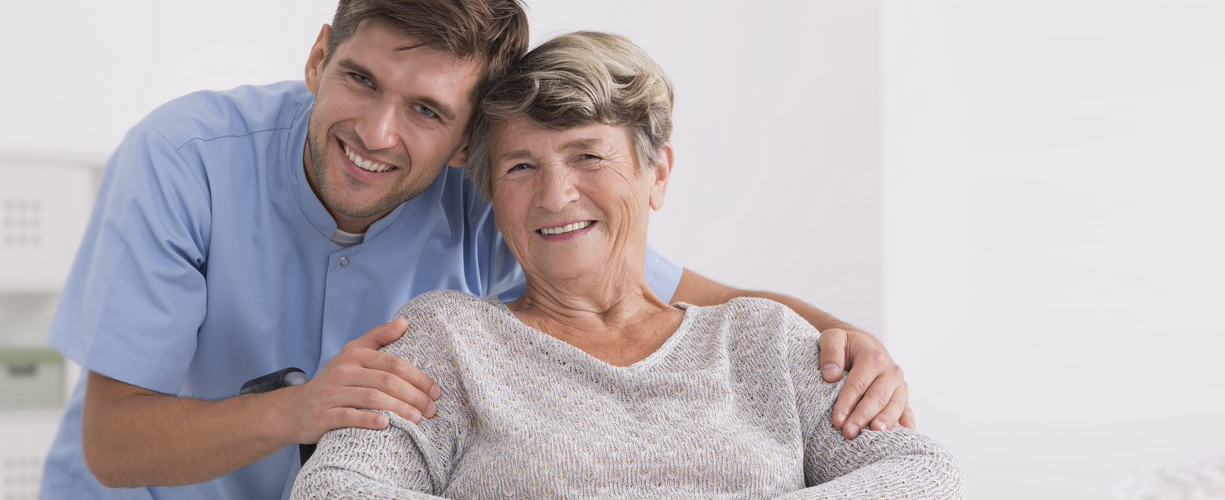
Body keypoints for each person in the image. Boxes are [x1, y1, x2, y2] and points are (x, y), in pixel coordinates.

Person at [41, 1, 914, 499]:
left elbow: (666, 294)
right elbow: (114, 446)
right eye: (360, 80)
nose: (377, 133)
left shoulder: (500, 194)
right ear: (318, 56)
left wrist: (851, 343)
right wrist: (302, 410)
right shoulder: (182, 159)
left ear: (468, 138)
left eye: (427, 110)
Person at [292, 30, 960, 499]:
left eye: (588, 156)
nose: (557, 195)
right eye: (522, 167)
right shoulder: (446, 340)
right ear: (492, 194)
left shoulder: (763, 340)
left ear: (656, 173)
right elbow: (337, 489)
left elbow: (921, 474)